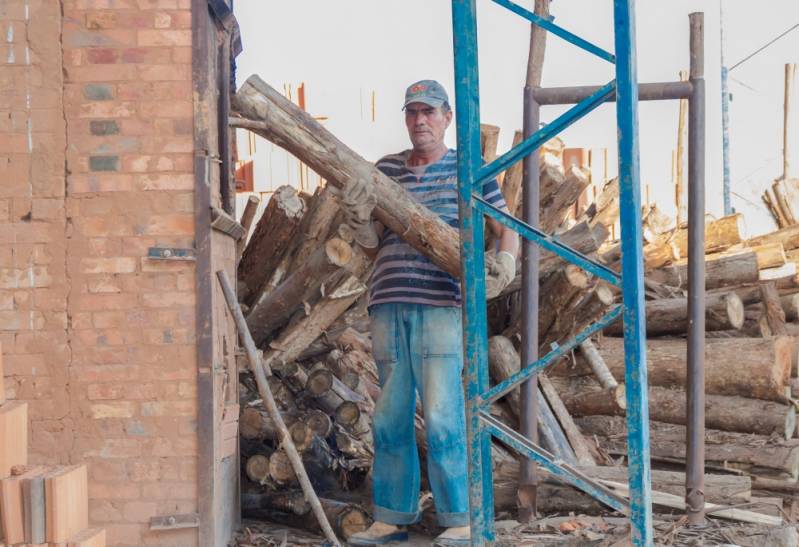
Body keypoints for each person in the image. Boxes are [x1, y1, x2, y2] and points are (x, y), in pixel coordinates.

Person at [338, 80, 518, 546]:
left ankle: (459, 518)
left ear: (447, 118)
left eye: (429, 112)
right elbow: (372, 245)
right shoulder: (386, 170)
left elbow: (506, 228)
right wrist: (359, 219)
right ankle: (393, 517)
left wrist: (506, 263)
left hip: (440, 305)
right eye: (413, 112)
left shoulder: (468, 169)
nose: (421, 121)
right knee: (389, 418)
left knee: (441, 416)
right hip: (388, 303)